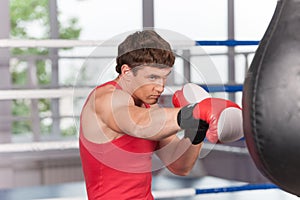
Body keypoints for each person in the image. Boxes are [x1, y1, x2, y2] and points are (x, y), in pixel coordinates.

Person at [79, 30, 242, 199]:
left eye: (164, 77)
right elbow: (137, 123)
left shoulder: (149, 108)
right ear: (127, 72)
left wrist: (197, 128)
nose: (160, 87)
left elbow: (180, 165)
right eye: (152, 77)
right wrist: (193, 112)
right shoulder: (106, 99)